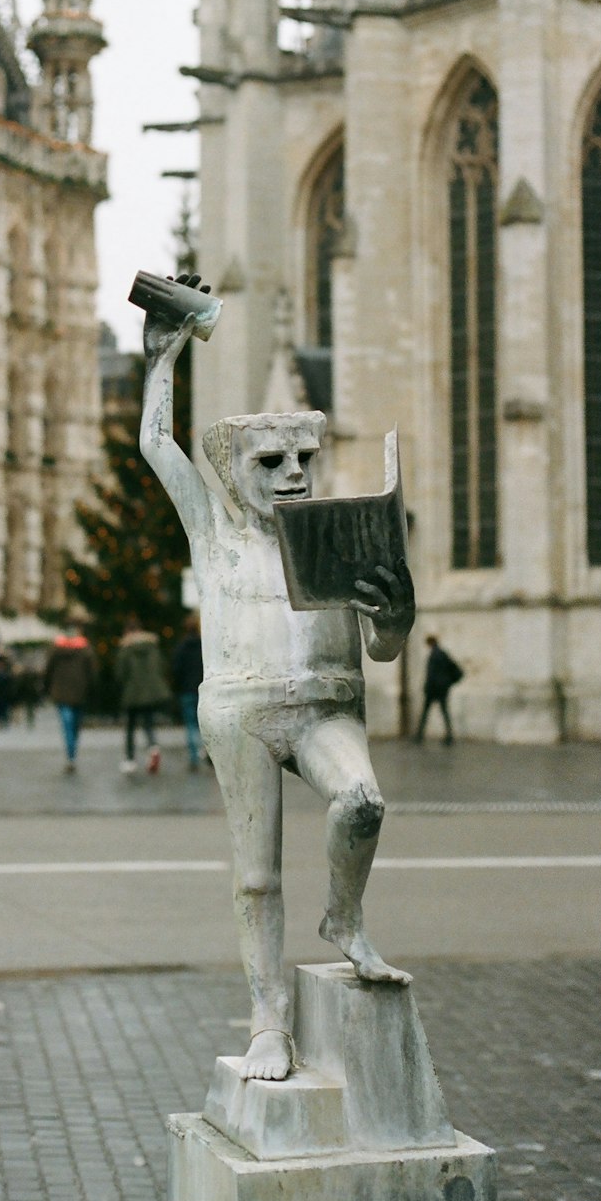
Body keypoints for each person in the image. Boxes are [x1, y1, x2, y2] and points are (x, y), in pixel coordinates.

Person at [140, 274, 415, 1081]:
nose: (292, 472)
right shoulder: (215, 534)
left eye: (303, 456)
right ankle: (269, 1021)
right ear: (233, 468)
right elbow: (158, 446)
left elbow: (385, 649)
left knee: (361, 799)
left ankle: (345, 917)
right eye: (271, 460)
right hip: (242, 711)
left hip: (326, 705)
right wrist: (164, 357)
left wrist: (394, 614)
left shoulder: (336, 538)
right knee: (256, 873)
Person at [114, 617, 169, 775]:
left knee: (130, 727)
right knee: (148, 723)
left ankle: (130, 759)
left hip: (132, 693)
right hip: (150, 693)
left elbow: (120, 673)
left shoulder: (126, 648)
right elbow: (160, 666)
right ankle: (153, 747)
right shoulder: (152, 646)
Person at [44, 621, 98, 773]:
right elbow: (92, 672)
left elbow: (48, 670)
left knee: (67, 724)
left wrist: (47, 687)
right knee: (74, 725)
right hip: (80, 691)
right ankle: (72, 753)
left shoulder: (55, 649)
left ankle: (71, 755)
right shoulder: (85, 649)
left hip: (61, 692)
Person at [416, 635, 464, 745]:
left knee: (426, 712)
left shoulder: (434, 655)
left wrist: (427, 687)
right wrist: (448, 683)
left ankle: (420, 735)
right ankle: (449, 736)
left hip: (433, 689)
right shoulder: (442, 654)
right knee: (444, 712)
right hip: (442, 689)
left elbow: (431, 674)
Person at [172, 612, 204, 770]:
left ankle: (194, 758)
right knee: (205, 725)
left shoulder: (181, 648)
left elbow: (176, 670)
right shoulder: (204, 647)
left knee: (191, 725)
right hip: (203, 689)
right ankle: (209, 755)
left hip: (187, 690)